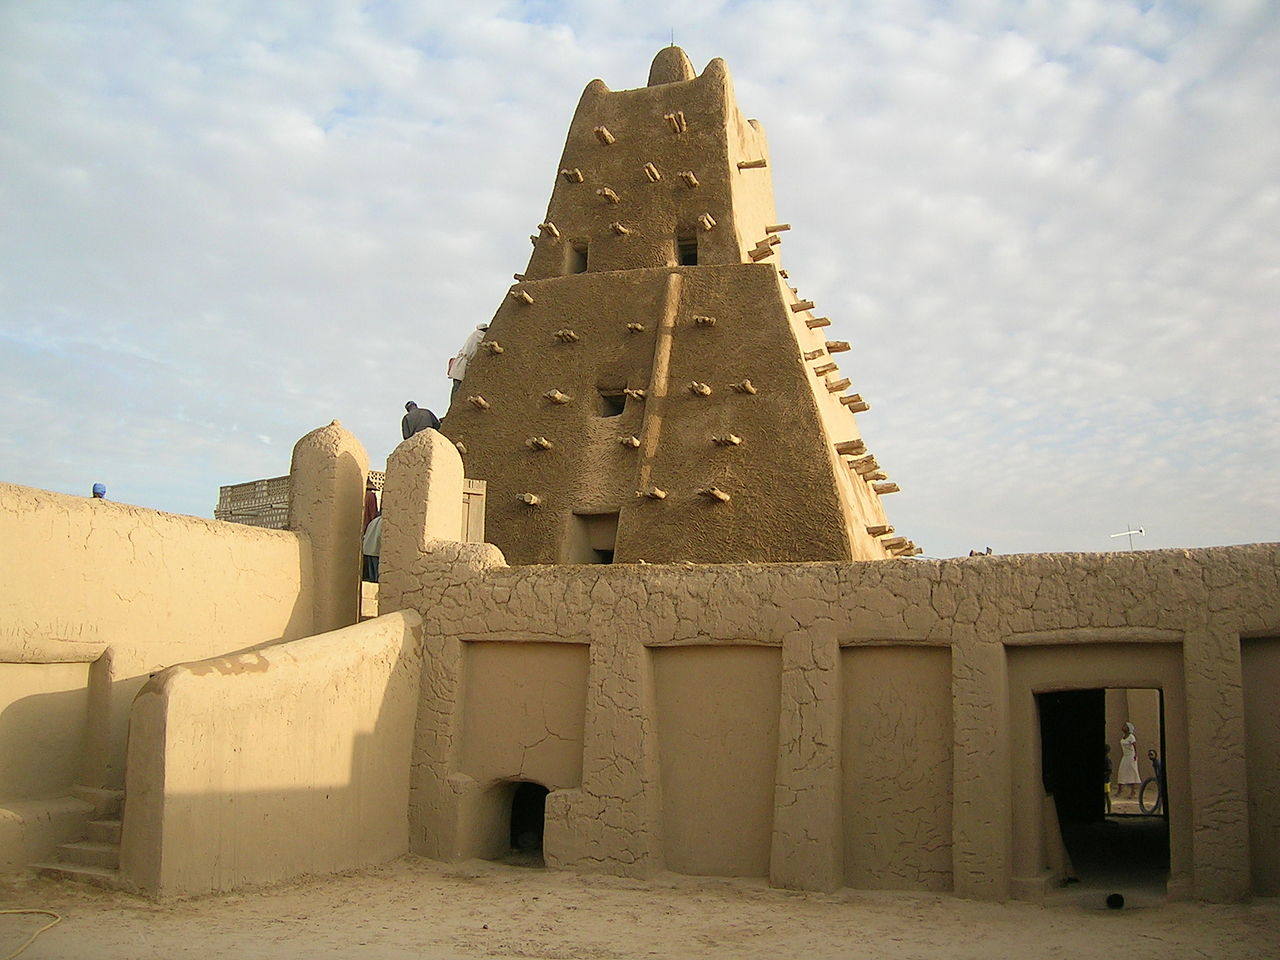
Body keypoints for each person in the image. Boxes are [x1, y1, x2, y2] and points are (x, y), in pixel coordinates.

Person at [447, 323, 488, 400]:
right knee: (457, 386)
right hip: (462, 364)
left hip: (461, 363)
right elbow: (487, 340)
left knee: (457, 385)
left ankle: (455, 403)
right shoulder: (478, 334)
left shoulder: (474, 334)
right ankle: (454, 403)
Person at [1117, 722, 1141, 800]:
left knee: (1131, 773)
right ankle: (1120, 790)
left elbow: (1135, 746)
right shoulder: (1123, 736)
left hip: (1131, 756)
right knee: (1121, 772)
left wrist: (1136, 755)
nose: (1123, 727)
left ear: (1128, 728)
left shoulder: (1131, 737)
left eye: (1125, 726)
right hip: (1125, 756)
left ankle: (1133, 792)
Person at [362, 513, 383, 583]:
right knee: (378, 579)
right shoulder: (383, 522)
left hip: (368, 550)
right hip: (376, 552)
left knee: (372, 578)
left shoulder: (375, 520)